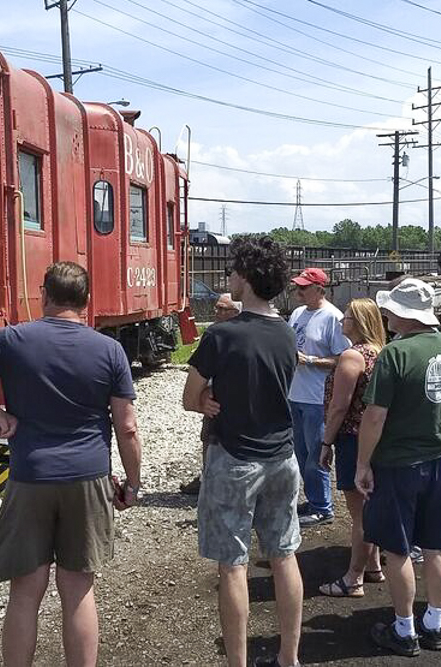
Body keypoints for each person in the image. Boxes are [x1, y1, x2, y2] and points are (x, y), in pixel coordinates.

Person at [0, 261, 142, 667]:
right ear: (87, 301)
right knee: (78, 589)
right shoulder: (109, 349)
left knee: (25, 592)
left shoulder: (11, 339)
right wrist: (132, 483)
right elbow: (126, 427)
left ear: (43, 294)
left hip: (30, 477)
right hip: (88, 476)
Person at [183, 236, 302, 667]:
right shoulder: (287, 333)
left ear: (248, 279)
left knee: (233, 565)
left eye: (234, 271)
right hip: (282, 457)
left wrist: (207, 396)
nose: (229, 277)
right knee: (284, 554)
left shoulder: (222, 335)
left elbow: (188, 396)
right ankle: (289, 656)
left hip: (235, 458)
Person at [356, 278, 441, 656]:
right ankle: (435, 623)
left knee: (397, 549)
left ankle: (404, 628)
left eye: (391, 309)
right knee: (437, 547)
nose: (386, 314)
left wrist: (363, 463)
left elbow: (375, 416)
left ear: (402, 315)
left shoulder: (395, 354)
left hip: (398, 463)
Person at [317, 298, 386, 598]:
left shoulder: (352, 357)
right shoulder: (382, 353)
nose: (341, 322)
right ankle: (373, 566)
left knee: (359, 513)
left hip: (351, 438)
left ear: (357, 322)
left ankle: (353, 579)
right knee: (370, 505)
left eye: (345, 317)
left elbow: (339, 407)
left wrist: (325, 442)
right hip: (377, 437)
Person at [288, 267, 350, 527]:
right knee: (301, 452)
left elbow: (344, 359)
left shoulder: (333, 317)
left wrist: (311, 361)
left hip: (317, 397)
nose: (298, 292)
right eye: (298, 287)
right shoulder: (297, 314)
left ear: (320, 289)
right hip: (296, 394)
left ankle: (323, 507)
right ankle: (314, 499)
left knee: (316, 453)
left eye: (304, 287)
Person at [180, 293, 241, 495]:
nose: (218, 312)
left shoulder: (242, 334)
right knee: (208, 437)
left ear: (236, 312)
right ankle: (207, 477)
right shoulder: (214, 332)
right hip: (214, 396)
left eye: (224, 309)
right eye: (217, 308)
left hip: (233, 397)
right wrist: (203, 392)